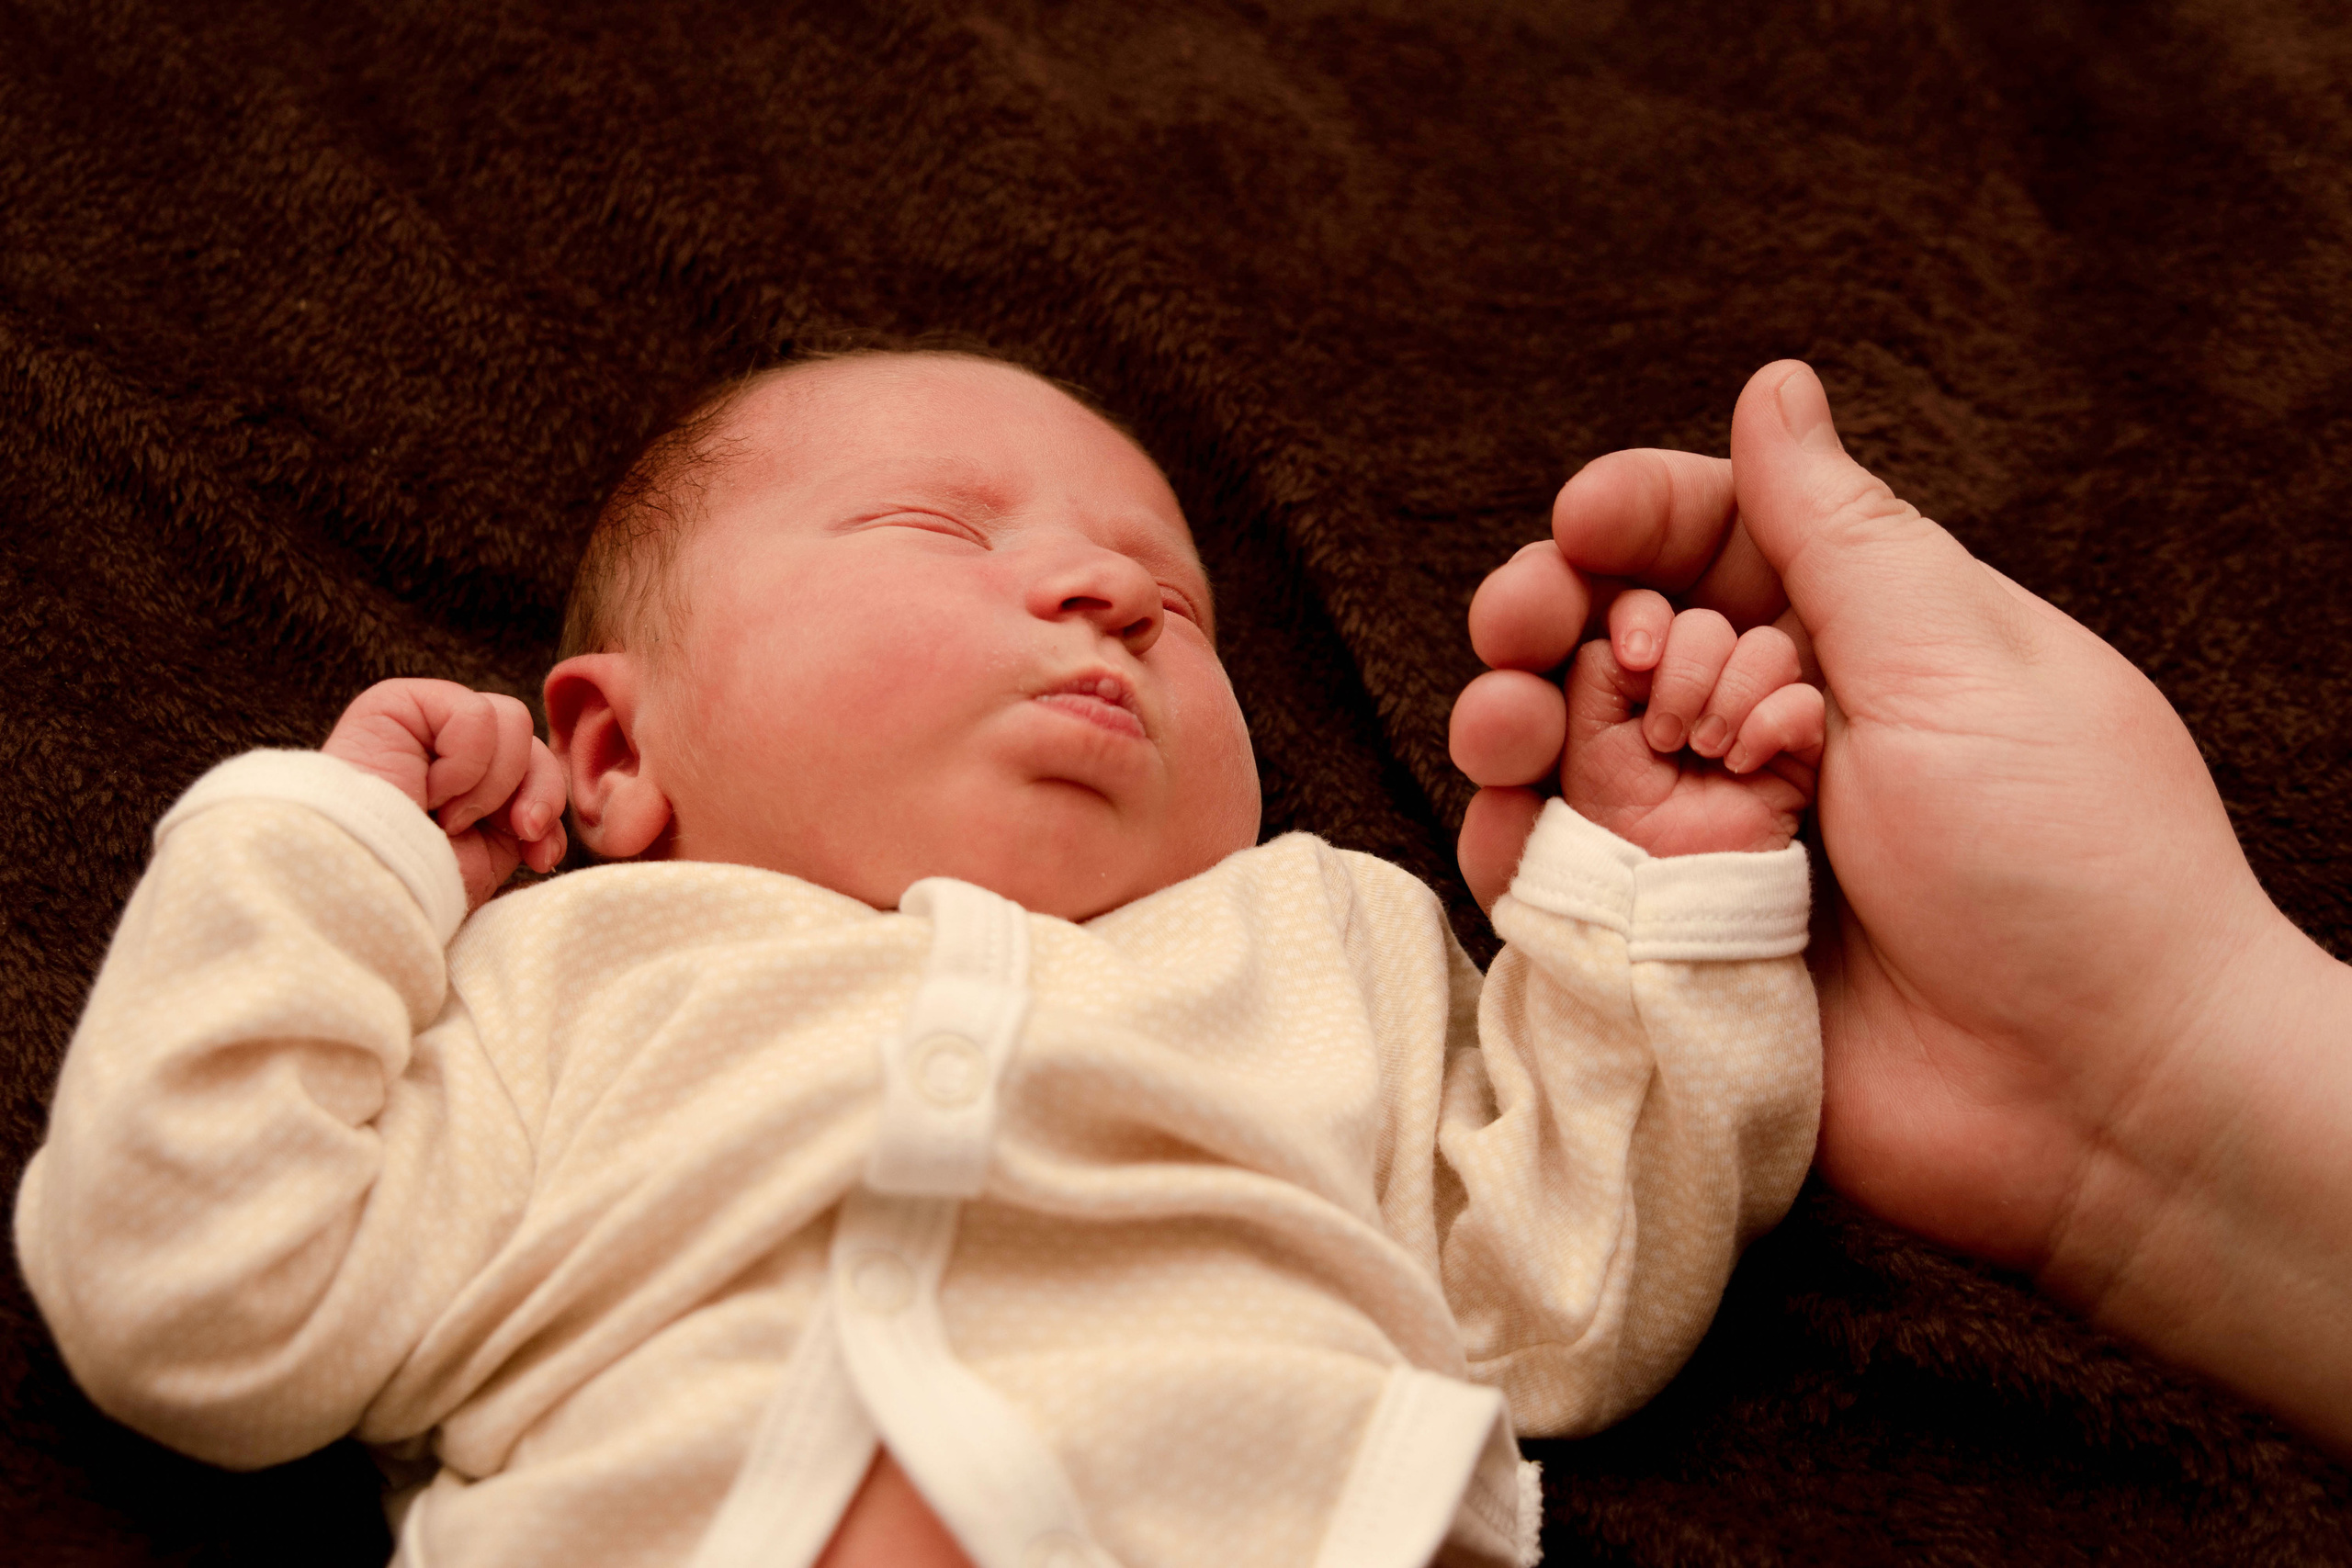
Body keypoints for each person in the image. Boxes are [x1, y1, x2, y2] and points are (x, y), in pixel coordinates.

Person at [13, 349, 1833, 1568]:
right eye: (936, 532)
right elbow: (194, 1302)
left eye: (1169, 601)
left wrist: (1658, 881)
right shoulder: (550, 985)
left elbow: (1563, 1291)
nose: (1102, 590)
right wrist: (334, 854)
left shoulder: (1319, 937)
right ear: (613, 754)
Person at [1452, 360, 2352, 1460]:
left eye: (1185, 595)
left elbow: (1542, 1298)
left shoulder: (1343, 938)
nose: (1166, 609)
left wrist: (1687, 911)